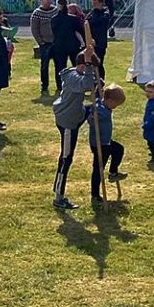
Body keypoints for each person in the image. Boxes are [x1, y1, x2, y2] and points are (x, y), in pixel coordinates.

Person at [52, 45, 97, 210]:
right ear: (83, 66)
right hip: (68, 121)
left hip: (75, 113)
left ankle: (58, 191)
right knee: (66, 158)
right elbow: (85, 84)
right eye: (88, 68)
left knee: (91, 109)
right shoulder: (73, 77)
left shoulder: (78, 73)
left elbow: (91, 82)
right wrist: (89, 66)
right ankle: (59, 196)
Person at [87, 83, 127, 205]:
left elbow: (98, 96)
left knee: (119, 149)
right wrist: (92, 117)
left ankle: (113, 172)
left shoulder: (103, 103)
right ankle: (95, 195)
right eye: (115, 104)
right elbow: (91, 119)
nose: (115, 107)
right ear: (109, 100)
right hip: (99, 144)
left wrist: (98, 86)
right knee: (98, 169)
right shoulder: (99, 110)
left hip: (106, 141)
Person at [51, 0, 83, 92]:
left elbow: (53, 32)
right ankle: (79, 83)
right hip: (73, 45)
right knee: (76, 66)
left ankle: (60, 86)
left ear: (57, 6)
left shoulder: (54, 19)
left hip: (59, 45)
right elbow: (80, 30)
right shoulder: (73, 19)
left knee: (60, 67)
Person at [30, 0, 56, 95]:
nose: (49, 1)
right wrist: (41, 42)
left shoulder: (55, 11)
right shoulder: (37, 13)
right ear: (42, 0)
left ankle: (60, 85)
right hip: (45, 44)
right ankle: (44, 85)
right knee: (44, 66)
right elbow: (34, 29)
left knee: (59, 65)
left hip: (56, 43)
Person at [86, 0, 110, 81]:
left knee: (99, 62)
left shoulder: (105, 13)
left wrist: (96, 11)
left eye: (95, 2)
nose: (93, 4)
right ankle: (93, 80)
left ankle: (101, 80)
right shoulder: (92, 12)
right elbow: (86, 22)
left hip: (100, 43)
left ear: (101, 3)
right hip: (91, 41)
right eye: (92, 3)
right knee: (90, 62)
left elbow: (98, 21)